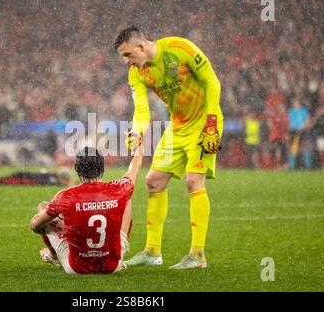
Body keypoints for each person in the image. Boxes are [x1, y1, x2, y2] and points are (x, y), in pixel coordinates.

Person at [114, 26, 223, 269]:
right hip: (178, 126)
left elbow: (211, 80)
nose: (126, 62)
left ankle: (197, 256)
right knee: (153, 181)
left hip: (204, 122)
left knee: (194, 181)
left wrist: (213, 120)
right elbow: (141, 109)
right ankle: (152, 252)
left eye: (128, 55)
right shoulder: (136, 73)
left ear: (141, 46)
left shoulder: (179, 48)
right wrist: (136, 131)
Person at [29, 144, 143, 274]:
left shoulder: (66, 196)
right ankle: (122, 246)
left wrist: (63, 226)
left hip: (77, 267)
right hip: (112, 266)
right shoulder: (119, 189)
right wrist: (138, 147)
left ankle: (53, 253)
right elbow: (134, 168)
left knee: (43, 207)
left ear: (77, 169)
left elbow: (35, 225)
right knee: (127, 194)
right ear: (102, 167)